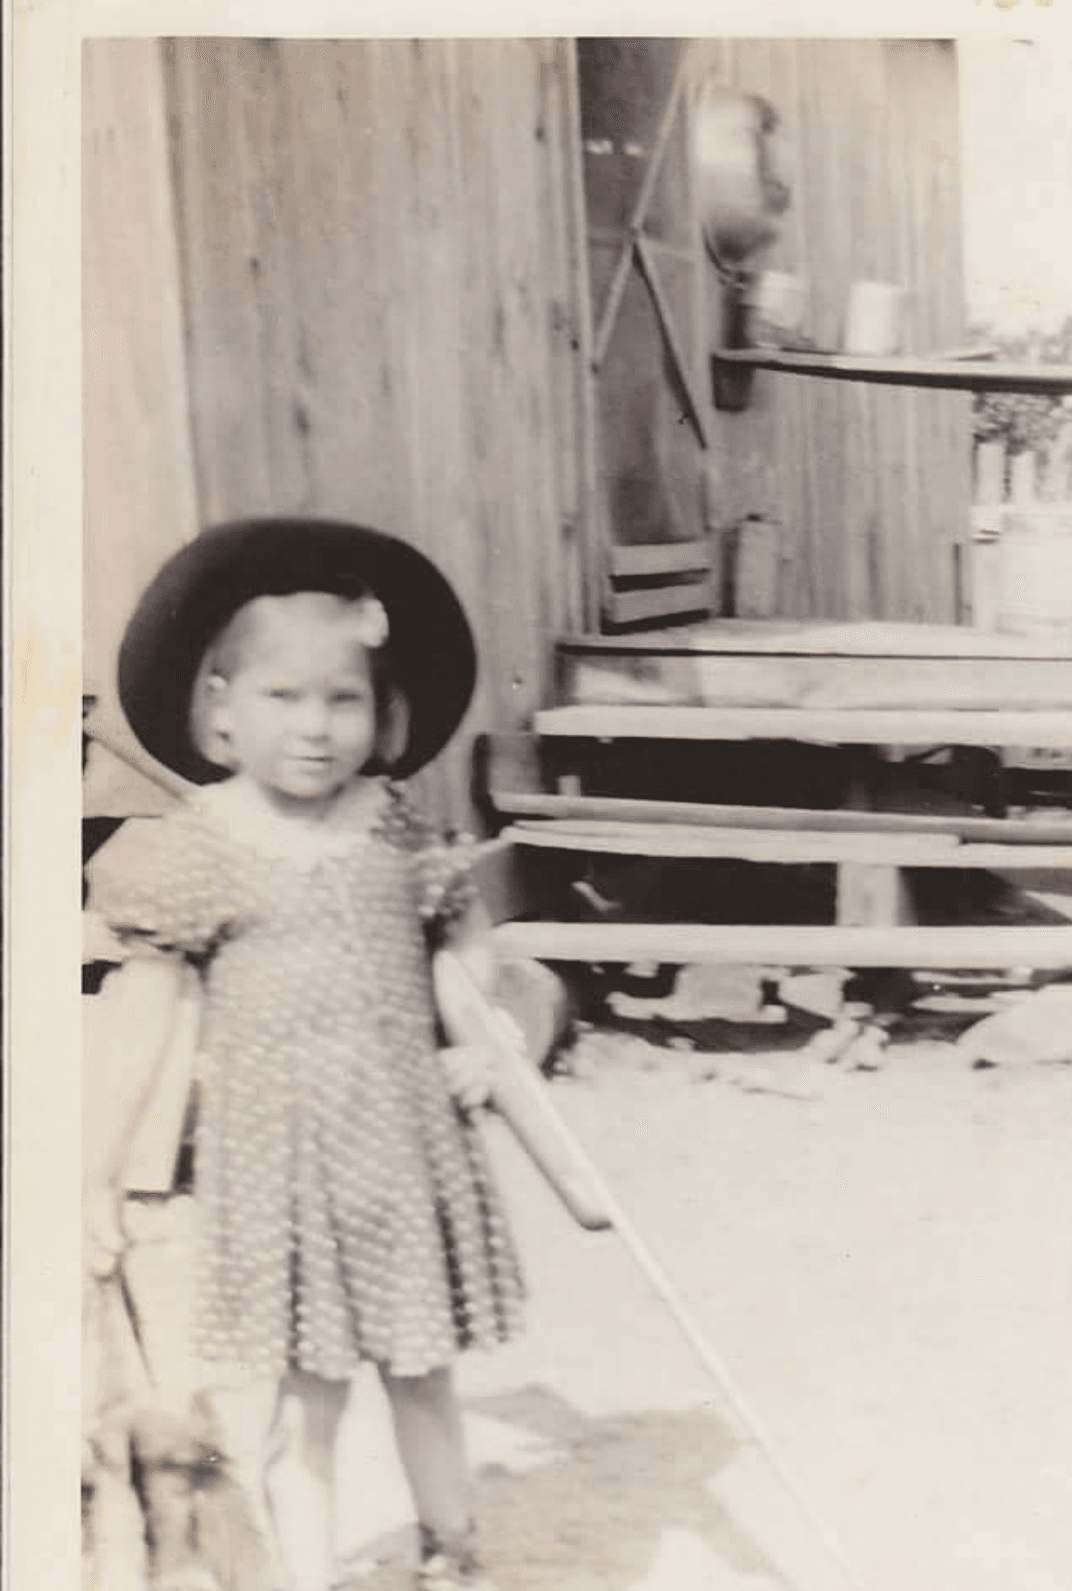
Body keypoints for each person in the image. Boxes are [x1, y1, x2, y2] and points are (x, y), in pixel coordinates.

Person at [85, 518, 525, 1591]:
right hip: (280, 1173)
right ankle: (308, 1571)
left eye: (344, 700)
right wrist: (93, 1165)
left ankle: (449, 1553)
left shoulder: (395, 833)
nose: (316, 727)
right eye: (282, 698)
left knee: (422, 1374)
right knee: (305, 1401)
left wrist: (495, 1045)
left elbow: (466, 948)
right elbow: (145, 1006)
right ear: (220, 711)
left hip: (403, 1159)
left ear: (383, 719)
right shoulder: (198, 846)